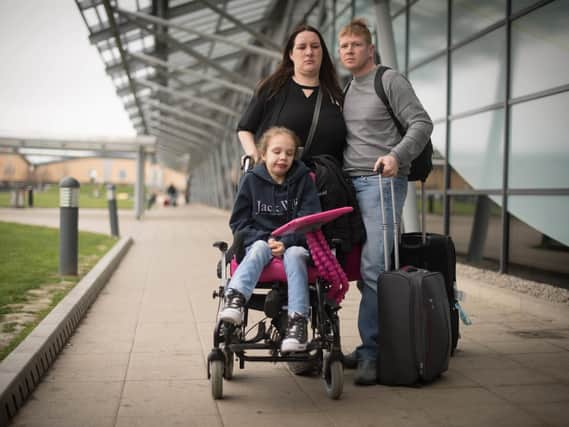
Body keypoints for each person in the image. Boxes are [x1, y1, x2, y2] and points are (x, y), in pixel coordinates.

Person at [338, 18, 433, 385]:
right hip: (349, 187)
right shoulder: (347, 88)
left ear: (370, 48)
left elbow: (422, 124)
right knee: (356, 268)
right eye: (344, 46)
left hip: (381, 185)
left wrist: (396, 156)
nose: (349, 51)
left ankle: (373, 354)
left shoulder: (388, 80)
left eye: (356, 45)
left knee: (375, 268)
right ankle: (366, 344)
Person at [219, 127, 321, 353]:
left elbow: (310, 220)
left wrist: (286, 241)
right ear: (263, 154)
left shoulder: (304, 181)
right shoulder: (251, 181)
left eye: (289, 153)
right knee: (258, 248)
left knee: (294, 254)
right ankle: (235, 297)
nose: (283, 157)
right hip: (260, 243)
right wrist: (269, 241)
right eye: (277, 151)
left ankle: (297, 322)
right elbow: (239, 224)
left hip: (295, 245)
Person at [237, 24, 346, 165]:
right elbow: (245, 128)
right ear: (290, 54)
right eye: (302, 47)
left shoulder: (335, 95)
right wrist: (253, 154)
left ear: (322, 52)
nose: (309, 52)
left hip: (325, 182)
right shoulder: (272, 89)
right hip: (281, 181)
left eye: (315, 46)